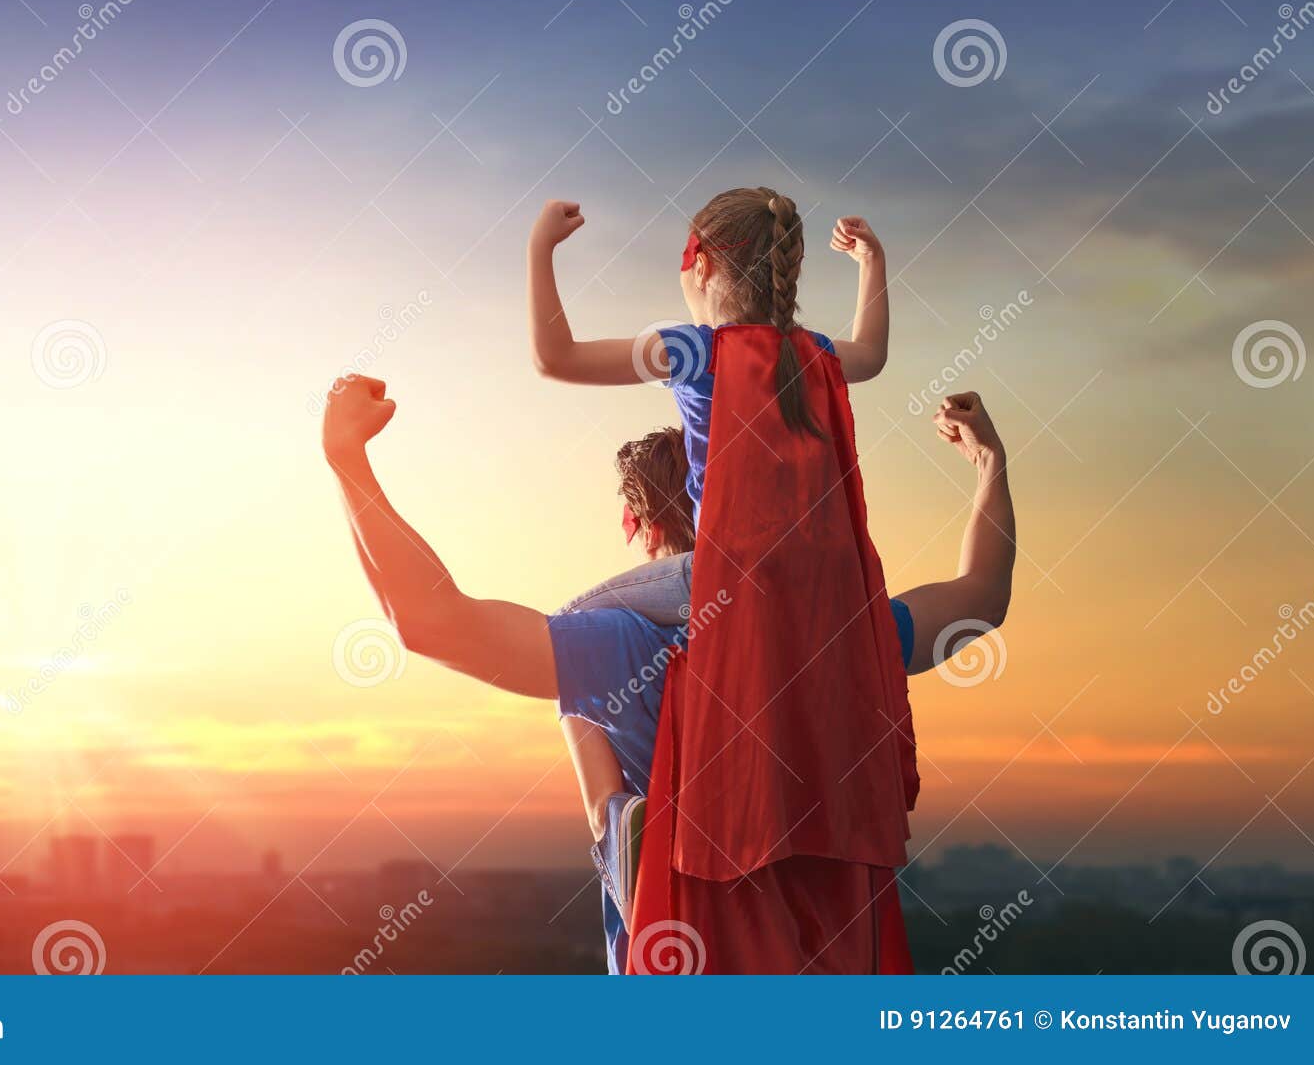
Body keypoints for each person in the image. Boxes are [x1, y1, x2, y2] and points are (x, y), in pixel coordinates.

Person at [322, 375, 1015, 971]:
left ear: (634, 521)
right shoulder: (835, 628)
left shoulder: (610, 642)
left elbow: (431, 622)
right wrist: (989, 464)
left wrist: (347, 458)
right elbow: (980, 598)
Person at [531, 188, 910, 972]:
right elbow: (872, 352)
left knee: (566, 631)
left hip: (726, 576)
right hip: (828, 593)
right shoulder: (817, 356)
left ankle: (619, 831)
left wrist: (541, 249)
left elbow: (555, 360)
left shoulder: (696, 350)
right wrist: (874, 263)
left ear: (697, 262)